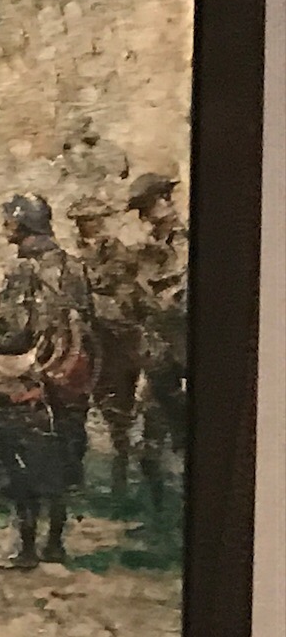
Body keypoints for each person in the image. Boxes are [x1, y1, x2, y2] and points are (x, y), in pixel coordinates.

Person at [0, 194, 94, 567]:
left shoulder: (23, 269)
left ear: (23, 224)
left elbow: (16, 333)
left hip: (30, 381)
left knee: (16, 462)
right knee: (60, 461)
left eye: (9, 220)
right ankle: (54, 545)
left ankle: (25, 550)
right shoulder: (74, 267)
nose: (5, 226)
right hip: (68, 380)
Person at [68, 193, 145, 497]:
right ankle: (76, 481)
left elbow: (114, 287)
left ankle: (121, 480)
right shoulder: (73, 254)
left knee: (119, 411)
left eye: (94, 219)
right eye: (84, 220)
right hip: (86, 339)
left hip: (117, 343)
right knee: (76, 407)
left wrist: (88, 289)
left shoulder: (117, 252)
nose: (90, 225)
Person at [127, 172, 188, 507]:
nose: (143, 216)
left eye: (146, 207)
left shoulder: (183, 242)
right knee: (149, 438)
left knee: (182, 431)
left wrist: (147, 293)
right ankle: (160, 513)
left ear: (164, 200)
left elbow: (175, 299)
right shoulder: (152, 245)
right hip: (159, 351)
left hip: (181, 349)